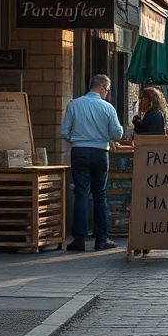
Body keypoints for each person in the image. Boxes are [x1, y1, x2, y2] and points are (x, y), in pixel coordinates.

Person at [61, 74, 124, 251]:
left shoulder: (74, 104)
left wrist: (77, 139)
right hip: (100, 152)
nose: (107, 93)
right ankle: (101, 238)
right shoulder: (107, 107)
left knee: (81, 193)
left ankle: (79, 239)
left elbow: (64, 132)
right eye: (108, 89)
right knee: (100, 194)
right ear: (102, 87)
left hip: (79, 151)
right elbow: (117, 134)